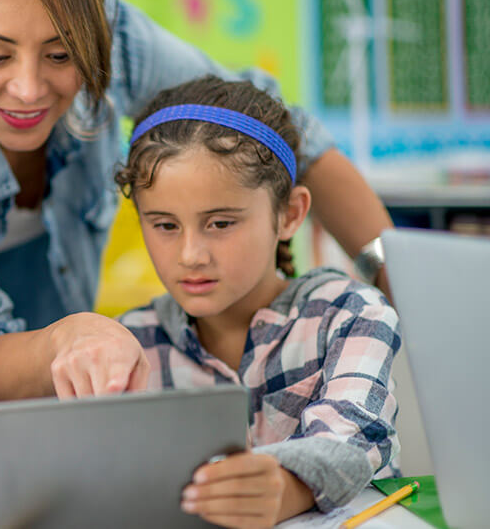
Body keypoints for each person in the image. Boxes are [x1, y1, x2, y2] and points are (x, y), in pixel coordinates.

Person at [0, 0, 395, 414]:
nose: (28, 88)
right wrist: (72, 337)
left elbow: (276, 131)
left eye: (61, 54)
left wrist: (399, 285)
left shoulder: (110, 34)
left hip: (60, 381)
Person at [114, 76, 400, 527]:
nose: (191, 255)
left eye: (221, 223)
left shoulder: (351, 313)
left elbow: (357, 437)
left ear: (289, 215)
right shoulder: (128, 344)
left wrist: (288, 485)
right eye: (165, 225)